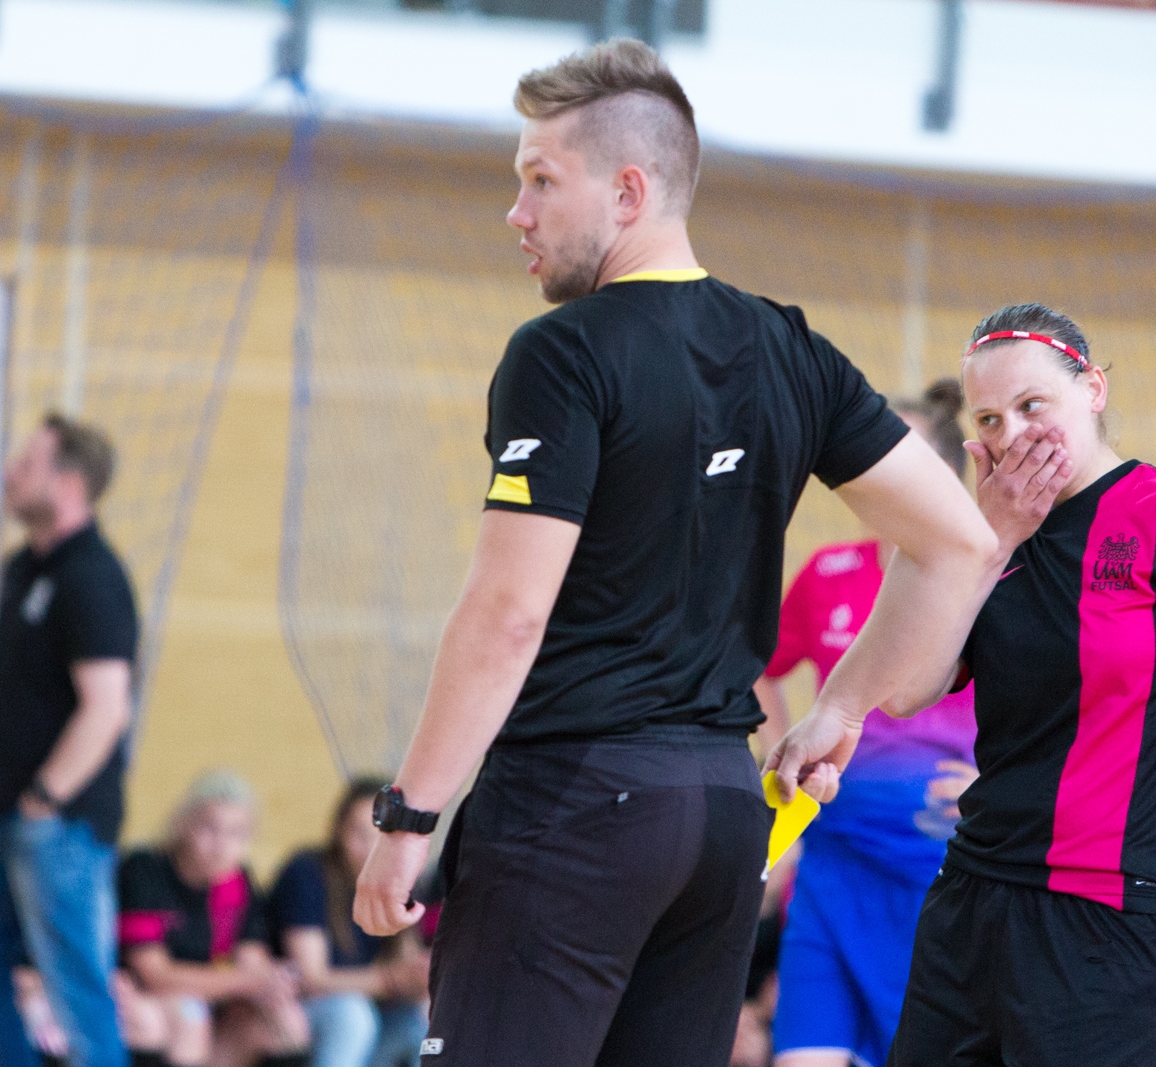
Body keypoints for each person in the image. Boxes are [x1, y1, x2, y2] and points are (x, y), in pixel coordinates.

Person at [350, 38, 997, 1067]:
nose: (515, 213)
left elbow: (507, 614)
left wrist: (406, 812)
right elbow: (958, 540)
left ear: (628, 190)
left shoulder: (562, 353)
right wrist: (842, 707)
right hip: (719, 817)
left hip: (572, 809)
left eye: (537, 181)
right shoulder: (788, 345)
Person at [772, 302, 1156, 1067]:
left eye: (1034, 405)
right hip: (972, 895)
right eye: (992, 419)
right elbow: (907, 689)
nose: (1015, 433)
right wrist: (987, 539)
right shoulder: (988, 536)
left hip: (1114, 916)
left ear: (1093, 389)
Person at [759, 379, 980, 1067]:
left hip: (943, 878)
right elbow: (761, 666)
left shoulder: (991, 581)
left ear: (944, 475)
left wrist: (993, 780)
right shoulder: (829, 573)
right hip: (832, 867)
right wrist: (782, 754)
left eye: (899, 450)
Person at [0, 414, 137, 1067]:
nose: (9, 472)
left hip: (56, 824)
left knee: (76, 990)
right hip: (0, 812)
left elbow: (106, 709)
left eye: (27, 462)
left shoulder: (91, 577)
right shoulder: (23, 567)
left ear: (69, 481)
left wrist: (44, 798)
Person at [117, 771, 309, 1067]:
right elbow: (153, 975)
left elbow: (252, 962)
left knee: (287, 1018)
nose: (221, 844)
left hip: (212, 993)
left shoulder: (236, 880)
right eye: (210, 828)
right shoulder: (145, 870)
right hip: (142, 993)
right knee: (189, 1015)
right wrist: (248, 980)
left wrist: (273, 983)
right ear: (183, 824)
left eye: (236, 833)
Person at [270, 780, 429, 1067]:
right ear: (338, 830)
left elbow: (410, 966)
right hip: (299, 1010)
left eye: (383, 835)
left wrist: (422, 978)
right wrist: (391, 980)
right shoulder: (308, 872)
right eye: (359, 833)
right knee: (351, 1015)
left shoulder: (399, 882)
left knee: (426, 1021)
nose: (370, 847)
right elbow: (310, 979)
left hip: (370, 1015)